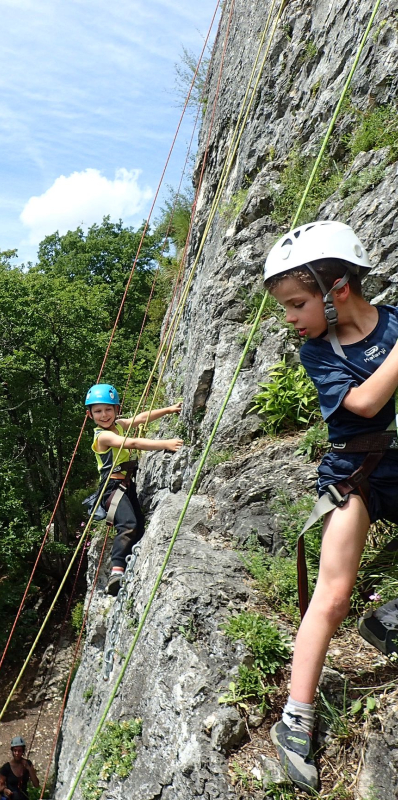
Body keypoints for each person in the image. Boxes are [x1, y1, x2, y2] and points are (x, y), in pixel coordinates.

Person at [263, 220, 398, 792]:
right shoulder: (317, 351)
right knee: (334, 591)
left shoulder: (391, 321)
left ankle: (387, 619)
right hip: (356, 471)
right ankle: (295, 718)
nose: (290, 318)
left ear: (337, 287)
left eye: (296, 303)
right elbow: (366, 403)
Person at [84, 383, 183, 596]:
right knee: (128, 525)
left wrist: (168, 410)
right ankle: (116, 573)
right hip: (111, 489)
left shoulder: (118, 425)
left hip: (126, 485)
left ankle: (131, 568)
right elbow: (134, 443)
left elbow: (140, 418)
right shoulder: (102, 436)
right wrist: (165, 443)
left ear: (116, 409)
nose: (104, 415)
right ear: (90, 414)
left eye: (108, 409)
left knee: (139, 527)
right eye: (98, 411)